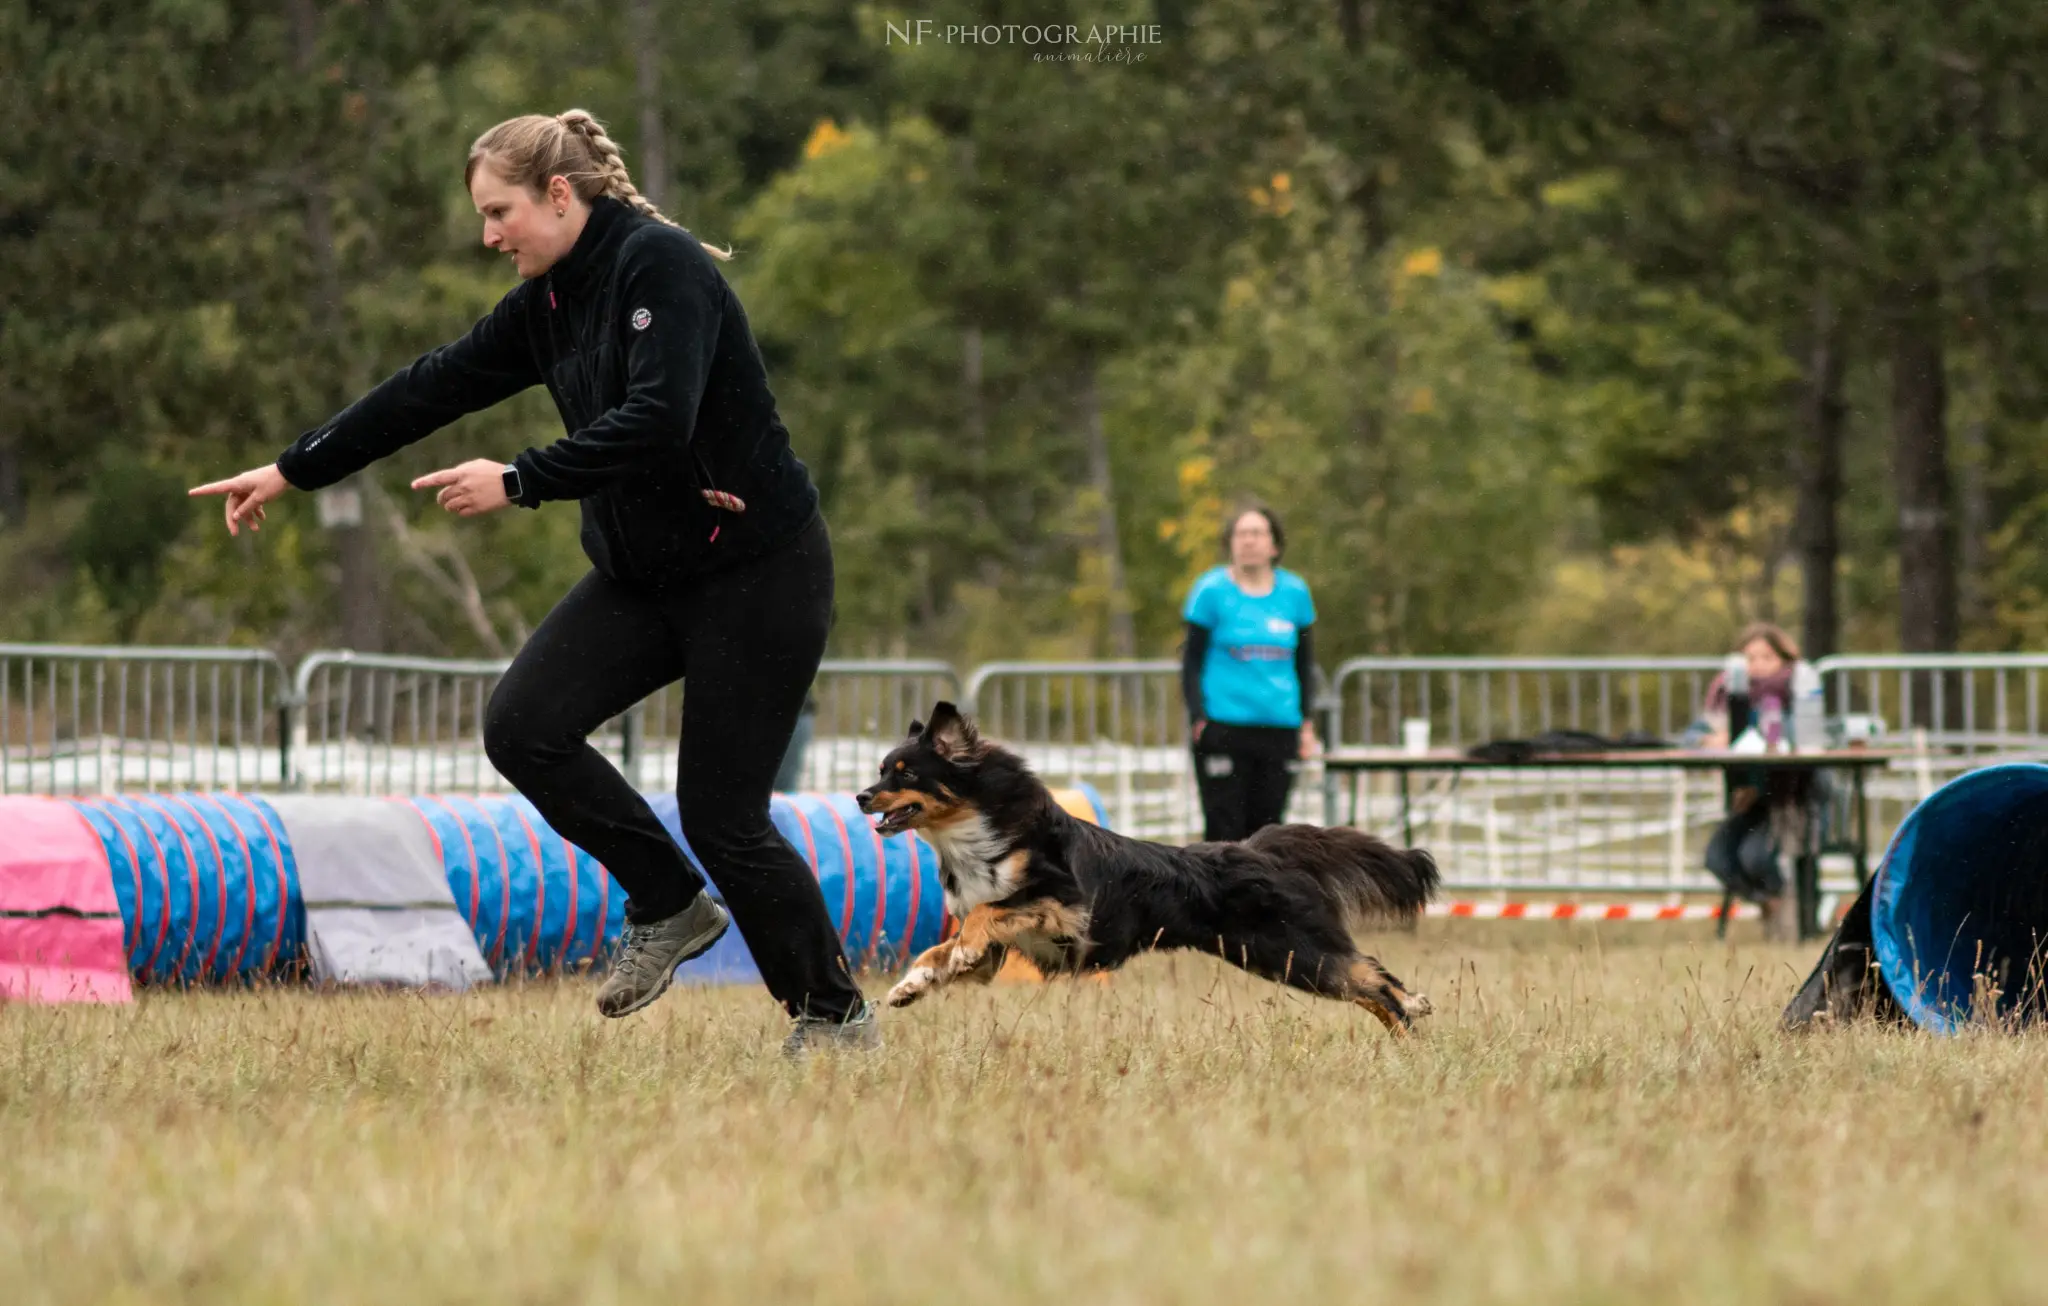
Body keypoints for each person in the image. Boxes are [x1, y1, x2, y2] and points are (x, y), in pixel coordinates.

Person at [189, 110, 875, 1054]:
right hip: (644, 574)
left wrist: (519, 480)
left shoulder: (661, 266)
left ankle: (833, 1020)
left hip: (755, 571)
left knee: (723, 815)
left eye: (498, 210)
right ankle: (669, 904)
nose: (487, 235)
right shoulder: (547, 301)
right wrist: (291, 469)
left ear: (561, 194)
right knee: (522, 724)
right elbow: (428, 386)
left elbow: (659, 418)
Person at [1180, 506, 1321, 842]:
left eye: (1257, 533)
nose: (1249, 541)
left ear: (1274, 545)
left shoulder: (1294, 593)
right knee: (1224, 828)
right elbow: (1191, 661)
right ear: (1231, 543)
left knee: (1268, 830)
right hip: (1224, 725)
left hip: (1278, 725)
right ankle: (1218, 895)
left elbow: (1305, 662)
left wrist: (1306, 723)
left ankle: (1261, 895)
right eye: (1241, 534)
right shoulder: (1210, 591)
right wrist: (1198, 715)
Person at [1696, 622, 1821, 942]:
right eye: (1750, 658)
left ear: (1784, 658)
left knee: (1755, 856)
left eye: (1766, 657)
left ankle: (1790, 910)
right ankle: (1773, 903)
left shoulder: (1798, 693)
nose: (1758, 665)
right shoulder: (1727, 693)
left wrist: (1758, 784)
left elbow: (1799, 750)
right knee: (1716, 858)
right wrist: (1711, 739)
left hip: (1789, 801)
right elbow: (1696, 733)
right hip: (1747, 800)